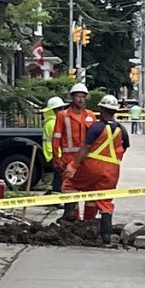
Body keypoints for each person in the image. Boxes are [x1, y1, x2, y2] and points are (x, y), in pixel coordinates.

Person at [63, 95, 128, 244]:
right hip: (112, 171)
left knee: (69, 184)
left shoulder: (96, 127)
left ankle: (70, 218)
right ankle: (105, 236)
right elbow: (123, 149)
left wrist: (73, 165)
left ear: (101, 109)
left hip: (92, 166)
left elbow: (85, 148)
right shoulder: (122, 130)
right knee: (103, 200)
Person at [53, 82, 96, 221]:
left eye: (83, 96)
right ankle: (74, 220)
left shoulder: (90, 115)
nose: (81, 99)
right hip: (68, 160)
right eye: (78, 96)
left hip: (87, 161)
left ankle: (88, 221)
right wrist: (56, 157)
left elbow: (97, 137)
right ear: (72, 97)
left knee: (90, 190)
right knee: (71, 190)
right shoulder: (63, 115)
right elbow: (56, 137)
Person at [40, 96, 68, 194]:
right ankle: (56, 198)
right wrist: (60, 155)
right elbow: (57, 141)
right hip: (55, 154)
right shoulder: (53, 123)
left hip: (50, 153)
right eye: (60, 108)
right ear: (54, 110)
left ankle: (49, 194)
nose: (62, 110)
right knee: (58, 178)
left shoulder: (49, 122)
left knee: (55, 177)